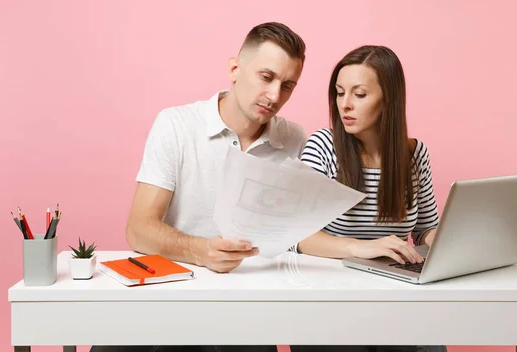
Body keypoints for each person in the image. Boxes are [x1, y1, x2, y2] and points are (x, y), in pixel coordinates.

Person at [90, 22, 307, 352]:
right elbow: (138, 229)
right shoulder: (176, 125)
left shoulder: (295, 141)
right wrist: (202, 251)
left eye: (288, 85)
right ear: (235, 69)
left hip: (248, 305)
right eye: (266, 77)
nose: (275, 96)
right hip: (169, 294)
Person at [289, 45, 447, 352]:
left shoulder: (414, 154)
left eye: (359, 95)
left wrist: (454, 242)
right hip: (330, 299)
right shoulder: (323, 147)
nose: (345, 105)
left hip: (396, 292)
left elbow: (425, 228)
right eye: (339, 92)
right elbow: (297, 236)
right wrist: (363, 249)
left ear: (388, 100)